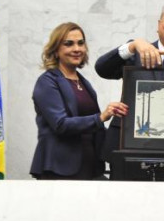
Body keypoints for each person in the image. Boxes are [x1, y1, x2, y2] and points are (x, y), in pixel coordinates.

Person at [94, 0, 164, 159]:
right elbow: (102, 69)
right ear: (159, 25)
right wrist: (132, 45)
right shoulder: (135, 53)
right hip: (126, 146)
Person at [30, 22, 128, 180]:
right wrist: (101, 117)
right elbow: (60, 124)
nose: (77, 49)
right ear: (55, 50)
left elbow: (95, 128)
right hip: (60, 169)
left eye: (80, 43)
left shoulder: (83, 82)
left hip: (91, 167)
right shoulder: (47, 81)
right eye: (69, 44)